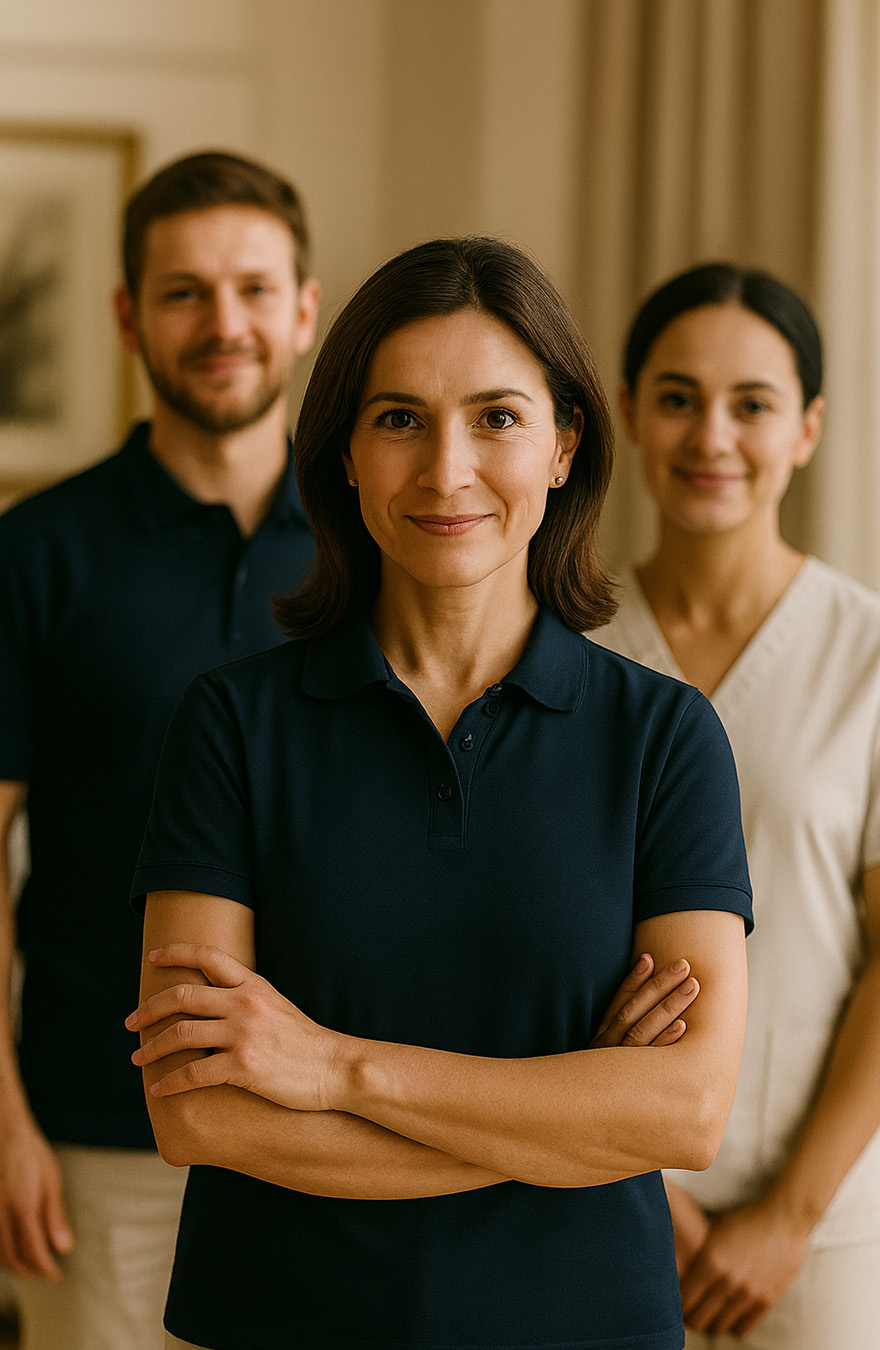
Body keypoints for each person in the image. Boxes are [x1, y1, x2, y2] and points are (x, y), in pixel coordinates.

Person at [126, 235, 752, 1350]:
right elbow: (199, 1112)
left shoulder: (665, 737)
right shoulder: (230, 725)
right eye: (400, 418)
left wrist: (329, 1069)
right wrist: (564, 1120)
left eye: (498, 418)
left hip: (583, 1325)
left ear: (564, 444)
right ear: (347, 456)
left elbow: (685, 1113)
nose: (447, 470)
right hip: (282, 1321)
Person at [0, 149, 321, 1350]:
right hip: (94, 1138)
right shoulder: (37, 554)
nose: (222, 322)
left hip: (333, 1131)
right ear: (129, 314)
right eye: (184, 291)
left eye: (251, 287)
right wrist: (4, 1124)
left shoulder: (385, 546)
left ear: (304, 307)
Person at [592, 262, 880, 1350]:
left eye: (752, 404)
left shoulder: (877, 659)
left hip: (822, 1229)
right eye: (676, 398)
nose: (710, 435)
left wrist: (788, 1217)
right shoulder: (561, 650)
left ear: (808, 427)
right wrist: (639, 1185)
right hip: (591, 1194)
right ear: (628, 414)